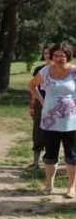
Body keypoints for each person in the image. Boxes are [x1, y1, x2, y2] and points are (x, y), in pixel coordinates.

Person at [29, 43, 76, 198]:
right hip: (50, 121)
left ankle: (71, 187)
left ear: (68, 56)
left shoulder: (74, 71)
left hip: (71, 121)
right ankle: (49, 184)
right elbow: (32, 85)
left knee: (72, 155)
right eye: (55, 55)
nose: (58, 58)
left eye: (62, 55)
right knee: (50, 155)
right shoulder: (45, 71)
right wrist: (42, 101)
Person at [27, 46, 51, 169]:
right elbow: (33, 88)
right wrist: (33, 104)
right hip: (40, 105)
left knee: (52, 133)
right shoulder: (39, 69)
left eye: (49, 53)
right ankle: (35, 162)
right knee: (38, 132)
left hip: (54, 106)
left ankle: (50, 160)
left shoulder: (60, 70)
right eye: (45, 53)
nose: (47, 55)